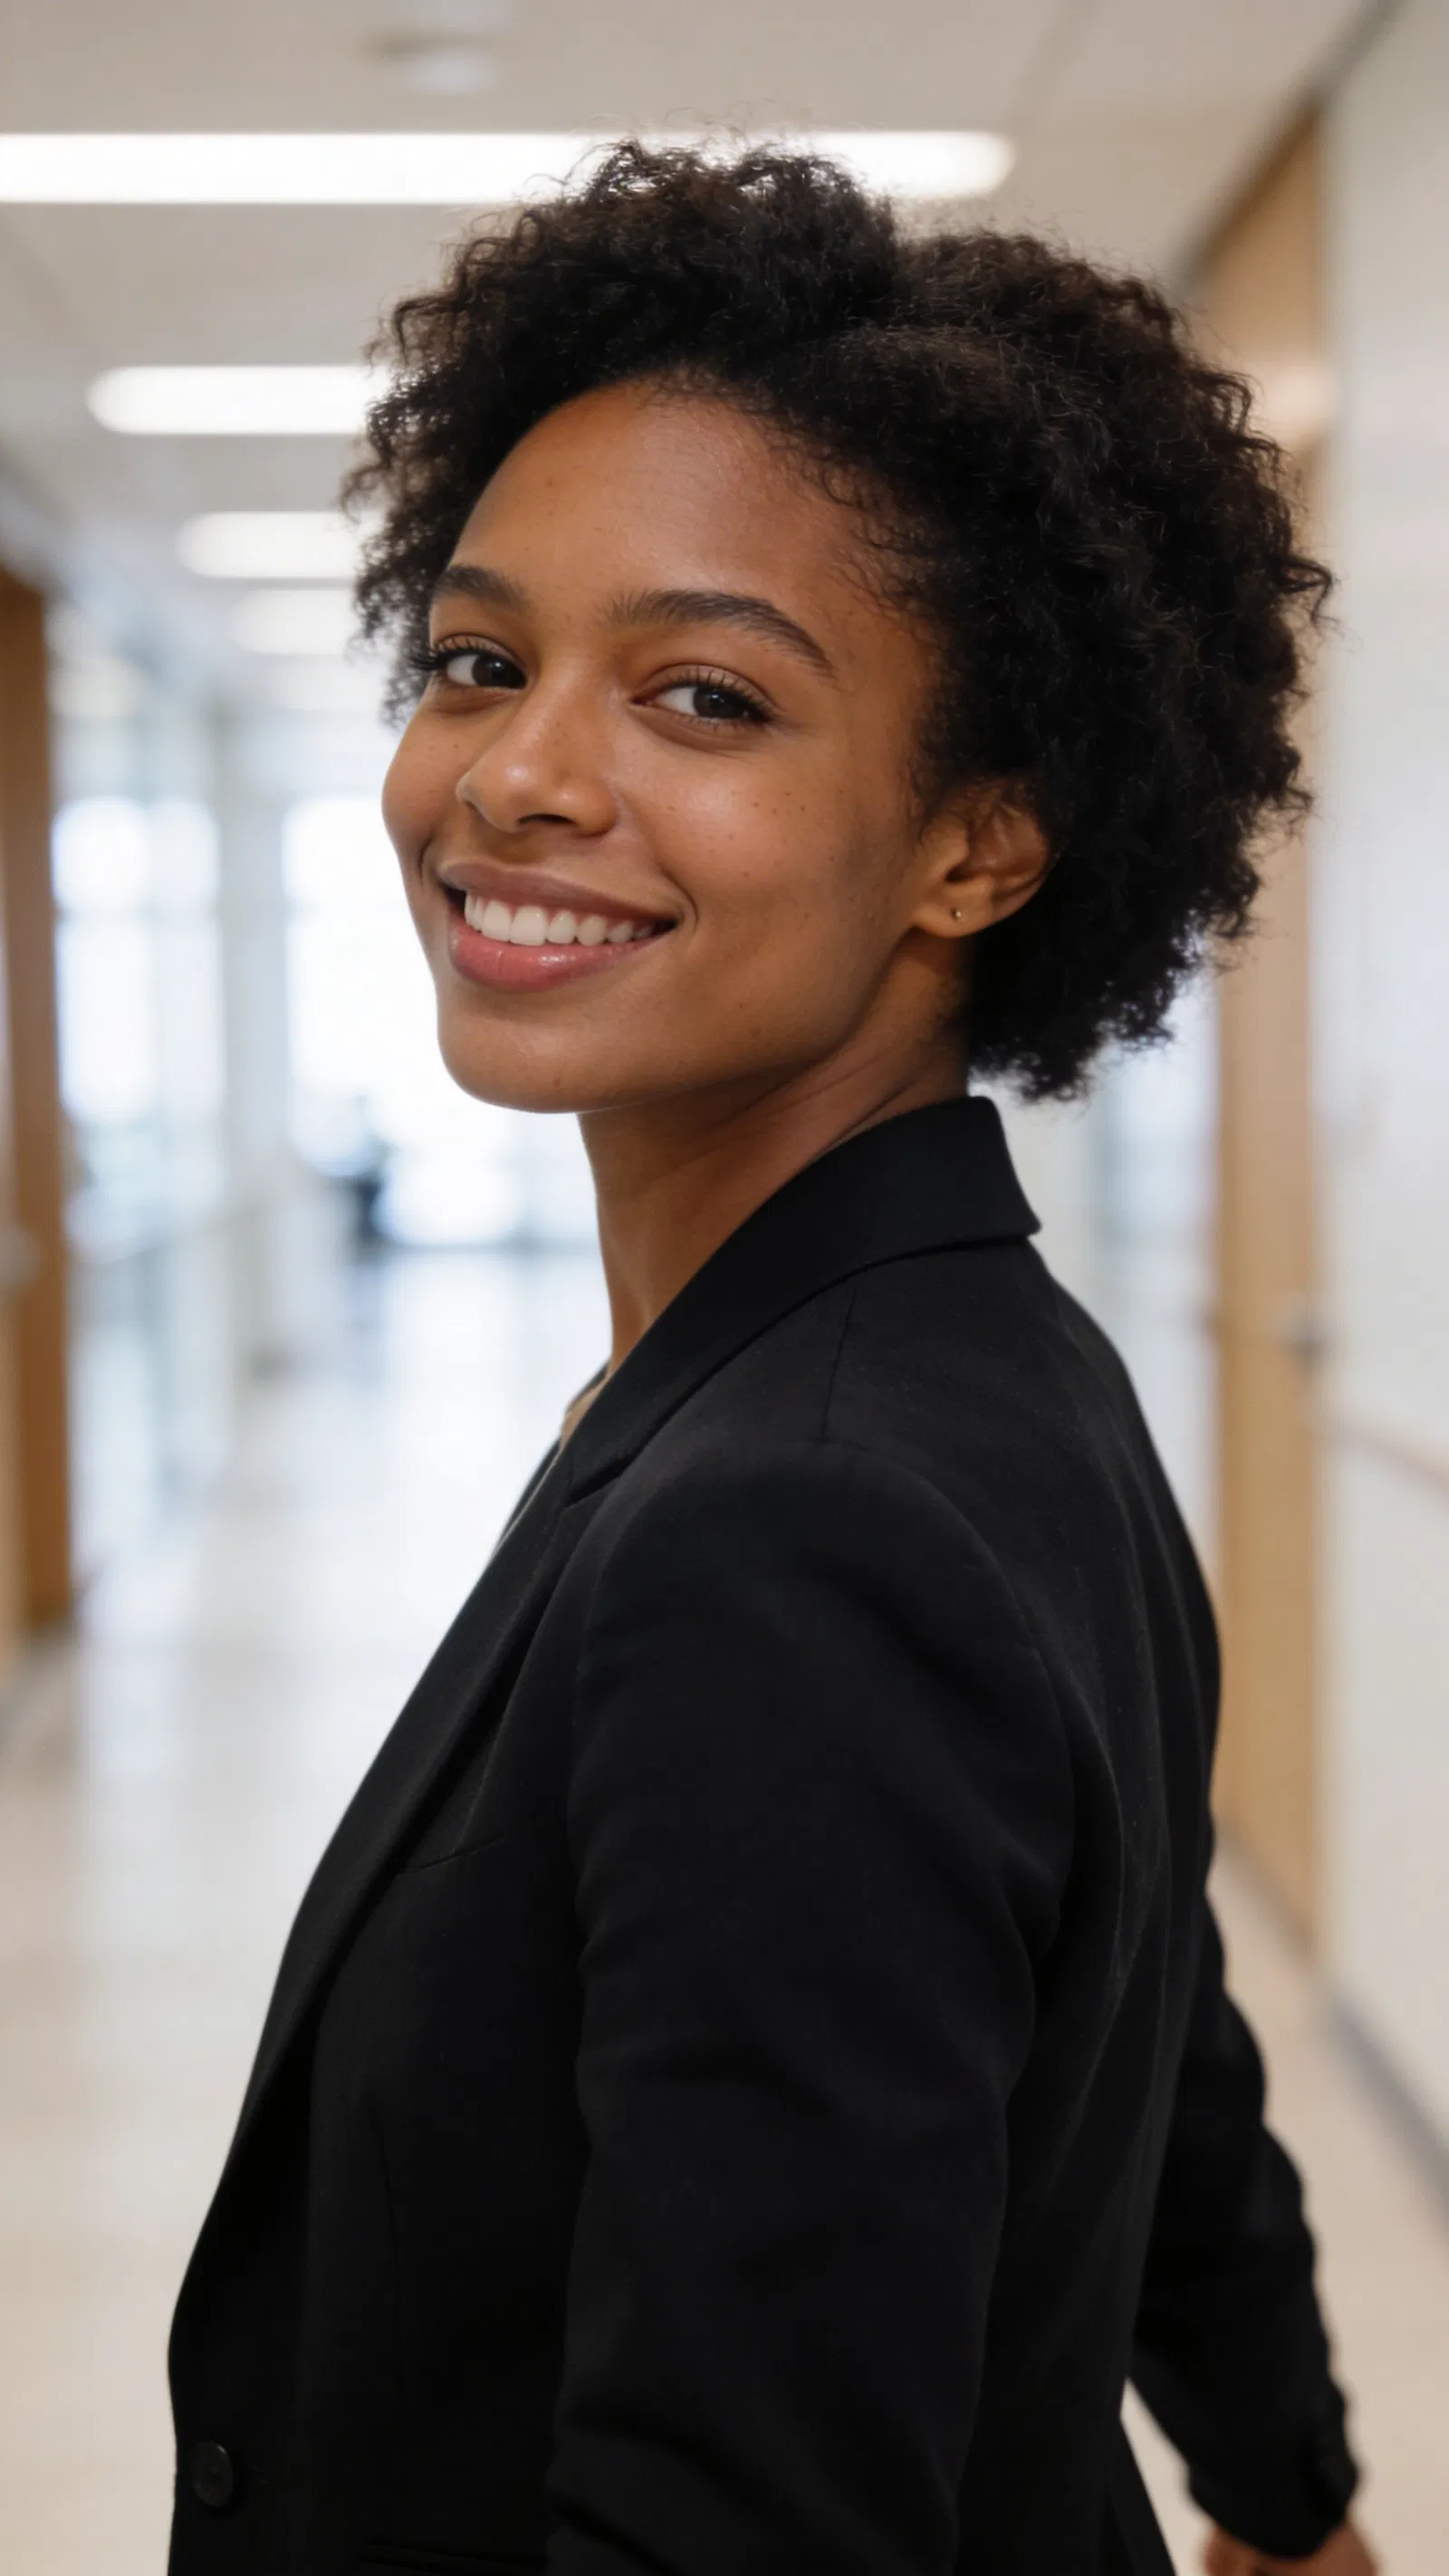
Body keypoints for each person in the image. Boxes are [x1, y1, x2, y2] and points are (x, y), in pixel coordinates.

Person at [167, 146, 1376, 2576]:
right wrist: (1292, 2484)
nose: (518, 771)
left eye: (703, 693)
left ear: (977, 849)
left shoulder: (795, 1526)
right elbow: (1151, 2038)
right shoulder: (979, 1359)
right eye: (484, 658)